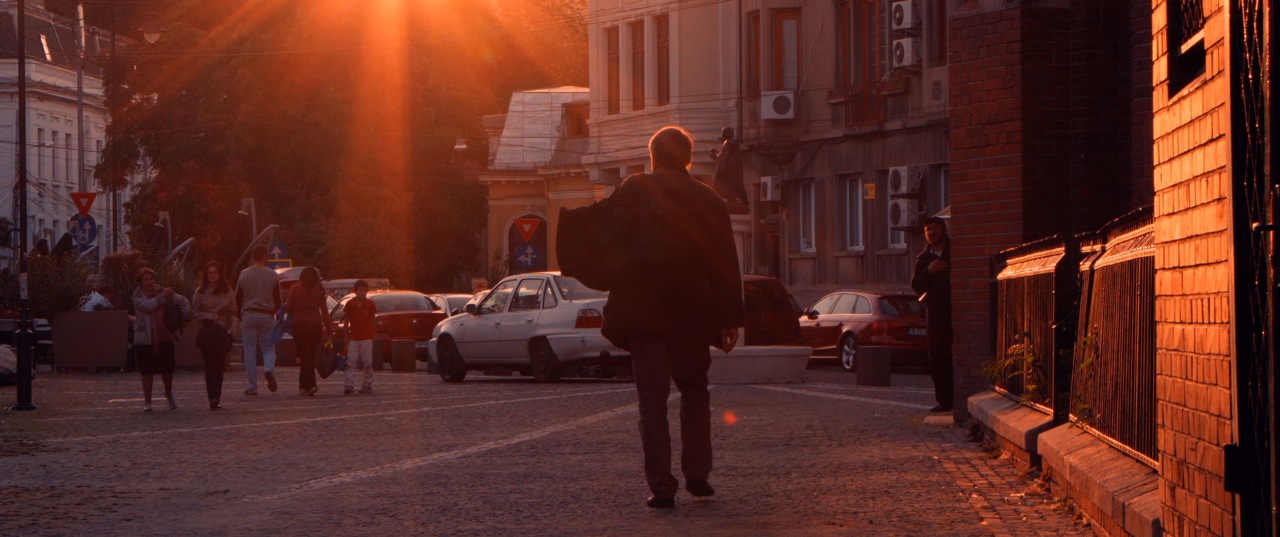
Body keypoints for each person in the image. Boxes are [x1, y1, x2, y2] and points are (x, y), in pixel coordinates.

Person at [602, 126, 745, 509]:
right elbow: (724, 261)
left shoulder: (634, 189)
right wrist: (730, 318)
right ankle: (698, 476)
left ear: (652, 157)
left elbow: (609, 245)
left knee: (652, 403)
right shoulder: (708, 199)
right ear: (686, 159)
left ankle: (662, 487)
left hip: (644, 315)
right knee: (695, 392)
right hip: (693, 315)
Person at [911, 216, 954, 413]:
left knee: (956, 355)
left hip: (956, 311)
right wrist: (929, 271)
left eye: (935, 228)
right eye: (928, 230)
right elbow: (917, 287)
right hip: (935, 314)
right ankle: (944, 401)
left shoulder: (955, 251)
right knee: (937, 358)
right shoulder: (923, 259)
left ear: (943, 230)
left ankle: (961, 396)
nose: (932, 233)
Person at [132, 267, 189, 412]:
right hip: (145, 338)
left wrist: (184, 317)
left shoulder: (163, 292)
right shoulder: (137, 295)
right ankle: (148, 401)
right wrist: (161, 297)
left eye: (151, 278)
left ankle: (168, 394)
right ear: (140, 283)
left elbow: (182, 300)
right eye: (146, 280)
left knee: (168, 369)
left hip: (164, 335)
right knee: (147, 371)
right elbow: (148, 307)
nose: (149, 282)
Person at [237, 244, 282, 395]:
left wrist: (238, 317)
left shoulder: (244, 274)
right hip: (266, 314)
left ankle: (252, 386)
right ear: (264, 256)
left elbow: (238, 298)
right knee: (268, 347)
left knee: (249, 351)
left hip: (249, 314)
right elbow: (278, 299)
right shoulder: (272, 275)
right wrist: (279, 316)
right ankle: (268, 368)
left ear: (252, 256)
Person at [191, 261, 236, 410]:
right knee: (210, 366)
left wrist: (232, 329)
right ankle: (213, 397)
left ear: (219, 274)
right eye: (210, 273)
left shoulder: (227, 290)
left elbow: (233, 311)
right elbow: (194, 312)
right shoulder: (200, 292)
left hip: (223, 333)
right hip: (208, 332)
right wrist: (209, 316)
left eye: (215, 272)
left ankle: (218, 395)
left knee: (219, 366)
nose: (212, 275)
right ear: (206, 275)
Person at [284, 266, 332, 396]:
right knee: (309, 355)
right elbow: (324, 311)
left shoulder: (295, 289)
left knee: (305, 356)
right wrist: (328, 329)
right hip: (315, 326)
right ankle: (304, 386)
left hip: (299, 326)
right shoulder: (319, 290)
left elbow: (288, 308)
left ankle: (309, 385)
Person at [341, 279, 378, 395]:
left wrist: (373, 336)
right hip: (354, 337)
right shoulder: (350, 304)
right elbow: (346, 322)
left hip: (366, 337)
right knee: (351, 362)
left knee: (367, 362)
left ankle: (367, 385)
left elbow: (373, 321)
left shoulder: (370, 304)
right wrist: (346, 337)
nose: (362, 293)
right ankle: (349, 384)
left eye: (364, 290)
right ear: (355, 291)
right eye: (360, 290)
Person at [709, 126, 748, 207]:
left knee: (722, 181)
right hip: (733, 165)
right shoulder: (733, 142)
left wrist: (716, 158)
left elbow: (724, 156)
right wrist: (716, 155)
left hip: (728, 166)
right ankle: (734, 198)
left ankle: (734, 197)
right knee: (734, 183)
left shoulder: (728, 143)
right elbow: (723, 155)